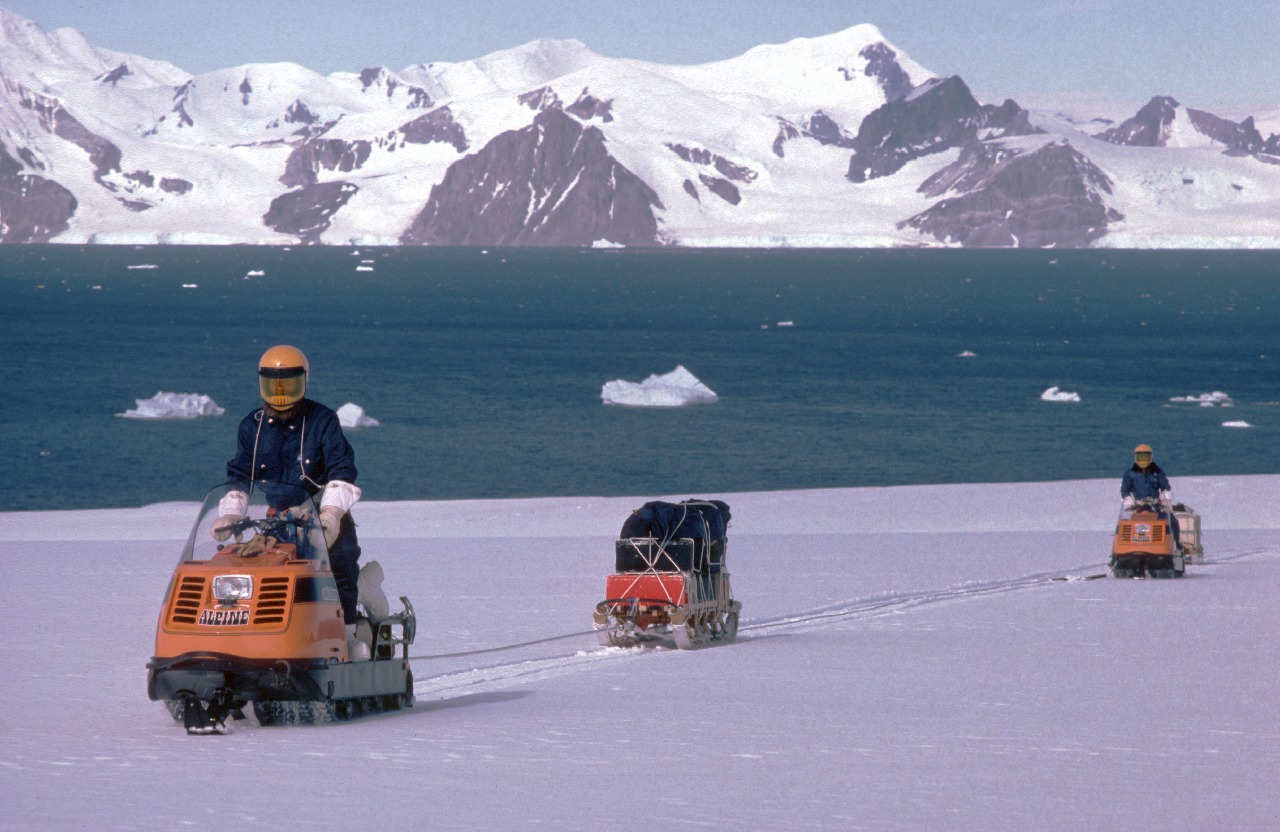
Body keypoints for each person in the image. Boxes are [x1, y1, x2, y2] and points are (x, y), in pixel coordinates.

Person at [213, 345, 368, 659]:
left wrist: (333, 512)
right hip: (280, 519)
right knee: (263, 573)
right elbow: (241, 472)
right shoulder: (251, 427)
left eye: (289, 385)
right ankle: (257, 640)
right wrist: (230, 513)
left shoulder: (322, 421)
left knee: (338, 566)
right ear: (262, 385)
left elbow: (342, 467)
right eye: (273, 385)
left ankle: (348, 638)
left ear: (304, 382)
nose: (280, 394)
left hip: (322, 514)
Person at [1120, 443, 1180, 549]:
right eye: (1140, 456)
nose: (1143, 459)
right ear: (1136, 457)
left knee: (1172, 521)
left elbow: (1165, 486)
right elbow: (1124, 489)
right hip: (1138, 507)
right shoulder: (1130, 474)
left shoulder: (1157, 472)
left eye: (1145, 456)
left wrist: (1165, 496)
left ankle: (1177, 546)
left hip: (1155, 506)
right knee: (1126, 526)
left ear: (1150, 457)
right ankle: (1124, 547)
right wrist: (1127, 499)